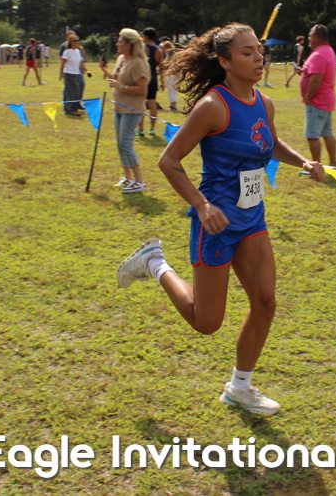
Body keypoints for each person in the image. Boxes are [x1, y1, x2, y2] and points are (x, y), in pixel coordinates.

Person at [117, 22, 324, 415]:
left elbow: (269, 141)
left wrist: (303, 161)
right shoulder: (213, 106)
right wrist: (201, 205)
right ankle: (154, 263)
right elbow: (169, 160)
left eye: (259, 50)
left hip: (251, 219)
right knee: (206, 321)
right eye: (247, 52)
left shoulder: (264, 102)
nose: (259, 58)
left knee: (265, 302)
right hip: (216, 223)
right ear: (225, 61)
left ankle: (239, 388)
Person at [102, 28, 148, 193]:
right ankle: (128, 177)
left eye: (120, 41)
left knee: (125, 144)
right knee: (120, 144)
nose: (117, 44)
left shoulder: (138, 63)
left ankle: (140, 181)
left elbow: (142, 89)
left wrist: (120, 87)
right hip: (119, 107)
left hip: (132, 109)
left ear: (129, 45)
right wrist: (104, 70)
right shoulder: (121, 59)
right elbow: (117, 79)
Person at [301, 24, 336, 167]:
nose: (308, 39)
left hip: (317, 101)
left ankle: (316, 167)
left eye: (310, 36)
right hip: (326, 100)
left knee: (312, 136)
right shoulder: (328, 51)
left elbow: (316, 80)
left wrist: (308, 98)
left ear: (316, 37)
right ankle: (333, 164)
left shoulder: (319, 55)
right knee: (327, 133)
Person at [141, 27, 164, 136]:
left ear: (145, 36)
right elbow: (162, 68)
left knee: (141, 104)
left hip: (144, 77)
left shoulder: (143, 48)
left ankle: (140, 129)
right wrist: (162, 82)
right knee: (152, 104)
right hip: (154, 78)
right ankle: (152, 129)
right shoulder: (159, 50)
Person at [60, 35, 87, 115]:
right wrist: (61, 74)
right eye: (75, 40)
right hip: (69, 74)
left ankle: (73, 107)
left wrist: (85, 70)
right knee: (74, 92)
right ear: (71, 42)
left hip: (77, 73)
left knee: (78, 90)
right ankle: (71, 110)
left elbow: (80, 62)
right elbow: (63, 64)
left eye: (78, 40)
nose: (77, 42)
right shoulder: (67, 52)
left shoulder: (78, 51)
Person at [160, 40, 179, 112]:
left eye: (164, 48)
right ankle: (172, 104)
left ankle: (174, 105)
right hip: (170, 74)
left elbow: (174, 64)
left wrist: (165, 65)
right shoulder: (168, 54)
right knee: (170, 90)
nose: (164, 50)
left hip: (173, 74)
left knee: (172, 89)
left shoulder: (174, 54)